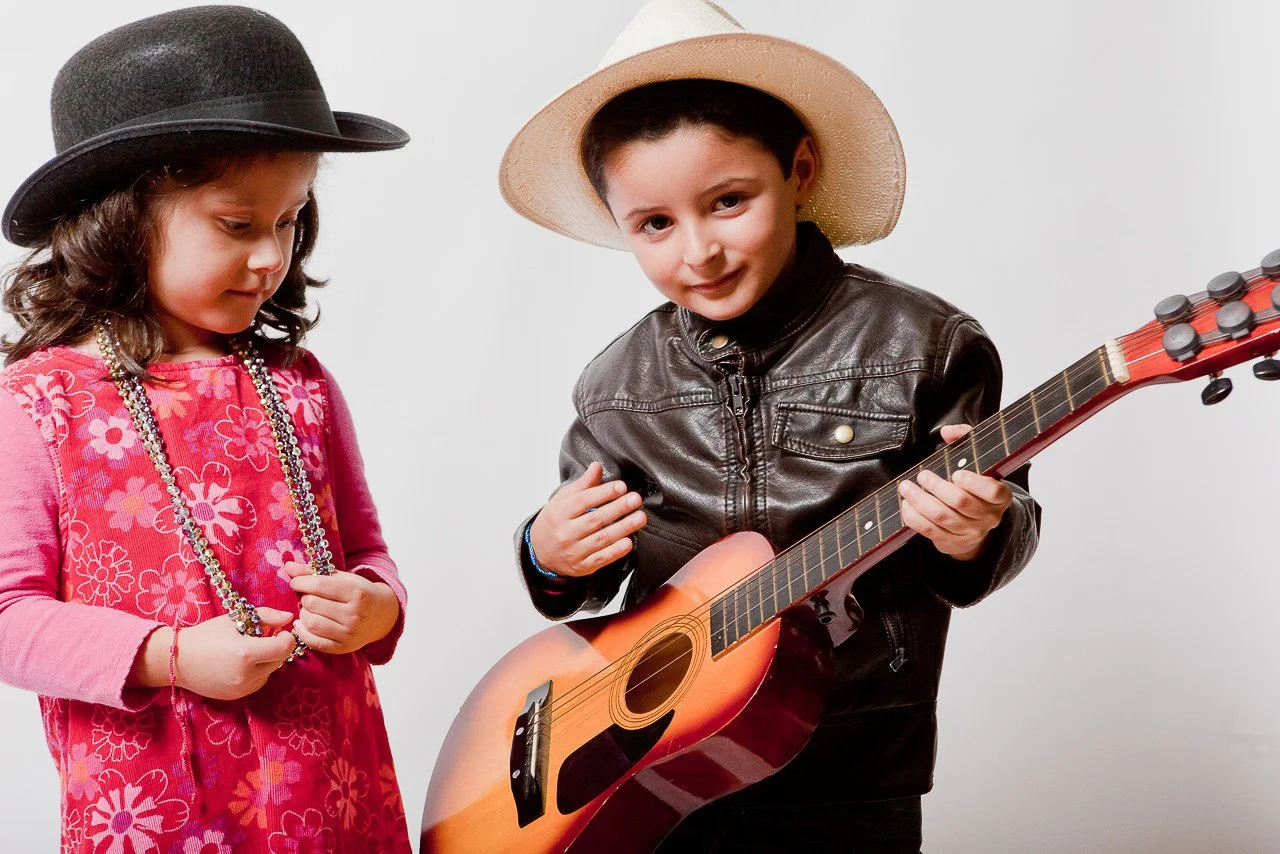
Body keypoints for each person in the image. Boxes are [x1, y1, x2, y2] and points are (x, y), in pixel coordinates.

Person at [502, 1, 1042, 849]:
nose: (698, 253)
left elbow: (1000, 528)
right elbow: (590, 579)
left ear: (800, 171)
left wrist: (980, 531)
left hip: (850, 769)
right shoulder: (615, 386)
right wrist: (548, 553)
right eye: (655, 224)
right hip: (659, 767)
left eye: (727, 201)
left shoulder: (925, 346)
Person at [0, 7, 412, 851]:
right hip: (159, 811)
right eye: (237, 224)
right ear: (119, 221)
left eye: (290, 219)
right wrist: (172, 656)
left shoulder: (301, 386)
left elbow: (369, 552)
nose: (272, 257)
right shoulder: (41, 402)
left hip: (335, 799)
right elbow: (6, 614)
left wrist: (376, 608)